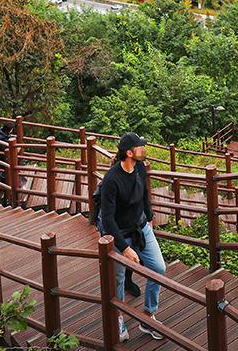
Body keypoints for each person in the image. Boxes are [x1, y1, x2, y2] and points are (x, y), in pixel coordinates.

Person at [100, 132, 167, 342]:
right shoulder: (112, 180)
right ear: (129, 153)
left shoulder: (139, 167)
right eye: (140, 147)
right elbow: (108, 219)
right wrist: (125, 248)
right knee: (118, 278)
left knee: (158, 269)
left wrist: (149, 217)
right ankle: (118, 317)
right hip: (118, 233)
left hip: (140, 228)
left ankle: (148, 316)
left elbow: (144, 194)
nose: (144, 149)